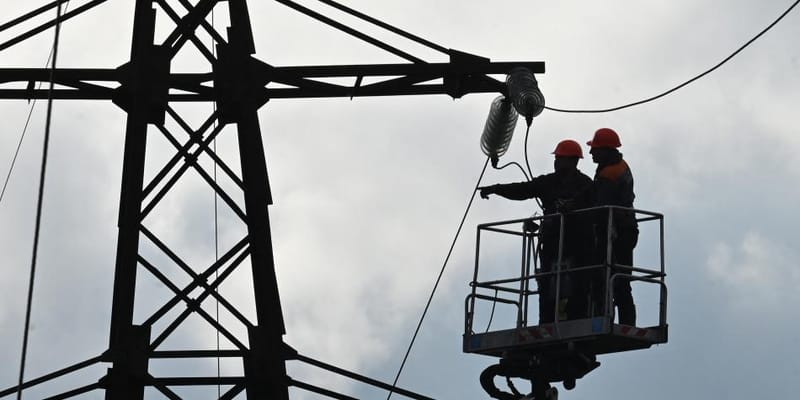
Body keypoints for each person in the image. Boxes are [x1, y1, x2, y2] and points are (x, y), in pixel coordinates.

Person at [480, 140, 594, 323]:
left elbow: (592, 206)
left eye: (560, 158)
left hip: (577, 242)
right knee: (547, 282)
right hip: (552, 242)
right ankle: (547, 321)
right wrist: (496, 189)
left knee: (578, 282)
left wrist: (571, 207)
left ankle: (577, 317)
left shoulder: (585, 185)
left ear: (573, 161)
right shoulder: (548, 182)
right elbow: (523, 190)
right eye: (556, 158)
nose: (556, 162)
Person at [586, 128, 638, 326]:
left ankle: (601, 317)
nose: (591, 153)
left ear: (606, 150)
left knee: (604, 276)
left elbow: (601, 205)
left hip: (615, 231)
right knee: (621, 278)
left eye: (595, 149)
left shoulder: (609, 173)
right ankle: (626, 322)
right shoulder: (619, 166)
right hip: (626, 228)